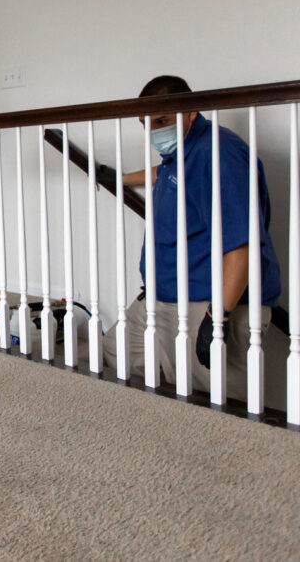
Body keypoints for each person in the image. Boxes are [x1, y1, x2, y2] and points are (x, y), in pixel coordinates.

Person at [101, 75, 281, 399]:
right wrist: (119, 179)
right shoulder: (185, 151)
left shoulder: (220, 154)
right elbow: (164, 173)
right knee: (117, 350)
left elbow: (241, 246)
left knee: (210, 404)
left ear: (191, 111)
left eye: (161, 121)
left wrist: (216, 318)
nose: (154, 131)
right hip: (166, 295)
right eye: (146, 124)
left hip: (207, 302)